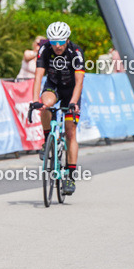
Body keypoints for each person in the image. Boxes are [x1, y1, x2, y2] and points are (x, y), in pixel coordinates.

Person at [28, 21, 85, 196]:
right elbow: (38, 77)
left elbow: (79, 82)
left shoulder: (75, 52)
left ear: (67, 39)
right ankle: (47, 141)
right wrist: (34, 101)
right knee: (45, 105)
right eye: (53, 42)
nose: (57, 46)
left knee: (70, 133)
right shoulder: (44, 50)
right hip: (53, 86)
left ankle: (70, 176)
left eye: (61, 41)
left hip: (71, 91)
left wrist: (74, 103)